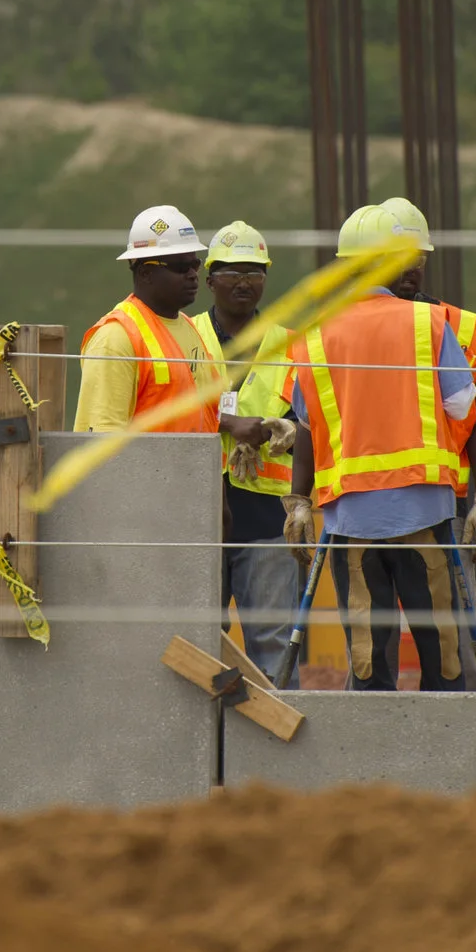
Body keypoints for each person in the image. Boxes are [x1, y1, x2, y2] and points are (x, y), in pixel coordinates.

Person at [281, 205, 476, 691]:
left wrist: (298, 500)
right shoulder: (429, 324)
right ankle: (444, 752)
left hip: (351, 522)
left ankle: (372, 758)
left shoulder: (314, 336)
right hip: (426, 515)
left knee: (368, 659)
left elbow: (306, 423)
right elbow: (460, 406)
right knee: (443, 655)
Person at [193, 221, 304, 681]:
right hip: (193, 513)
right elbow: (158, 408)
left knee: (275, 644)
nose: (244, 281)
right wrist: (227, 423)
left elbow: (319, 419)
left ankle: (279, 747)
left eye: (254, 272)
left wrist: (288, 429)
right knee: (197, 641)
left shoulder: (293, 345)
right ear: (209, 278)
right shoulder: (185, 338)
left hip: (267, 518)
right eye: (232, 271)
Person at [381, 195, 476, 562]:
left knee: (446, 614)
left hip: (445, 502)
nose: (410, 269)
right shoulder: (352, 328)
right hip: (366, 497)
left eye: (418, 259)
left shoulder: (459, 327)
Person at [73, 203, 222, 434]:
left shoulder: (188, 328)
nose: (193, 275)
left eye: (194, 264)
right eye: (181, 267)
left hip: (190, 469)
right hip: (144, 471)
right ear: (145, 273)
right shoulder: (115, 338)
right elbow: (102, 439)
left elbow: (208, 407)